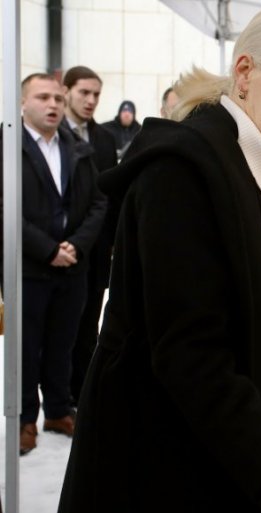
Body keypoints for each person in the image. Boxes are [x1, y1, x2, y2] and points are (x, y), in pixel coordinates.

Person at [58, 8, 261, 512]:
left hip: (213, 435)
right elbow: (189, 353)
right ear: (244, 72)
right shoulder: (181, 172)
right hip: (155, 455)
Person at [0, 73, 107, 455]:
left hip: (72, 267)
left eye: (58, 99)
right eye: (43, 97)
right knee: (26, 348)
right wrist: (47, 249)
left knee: (64, 343)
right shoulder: (7, 146)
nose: (53, 105)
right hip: (28, 268)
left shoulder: (77, 148)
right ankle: (25, 419)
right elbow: (4, 207)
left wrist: (76, 245)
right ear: (22, 103)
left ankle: (59, 410)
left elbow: (98, 202)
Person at [60, 65, 120, 407]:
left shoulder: (105, 138)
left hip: (95, 249)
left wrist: (112, 242)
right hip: (58, 247)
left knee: (88, 326)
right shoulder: (51, 134)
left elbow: (109, 195)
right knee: (58, 329)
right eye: (84, 92)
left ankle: (81, 394)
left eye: (96, 94)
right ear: (66, 90)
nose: (91, 100)